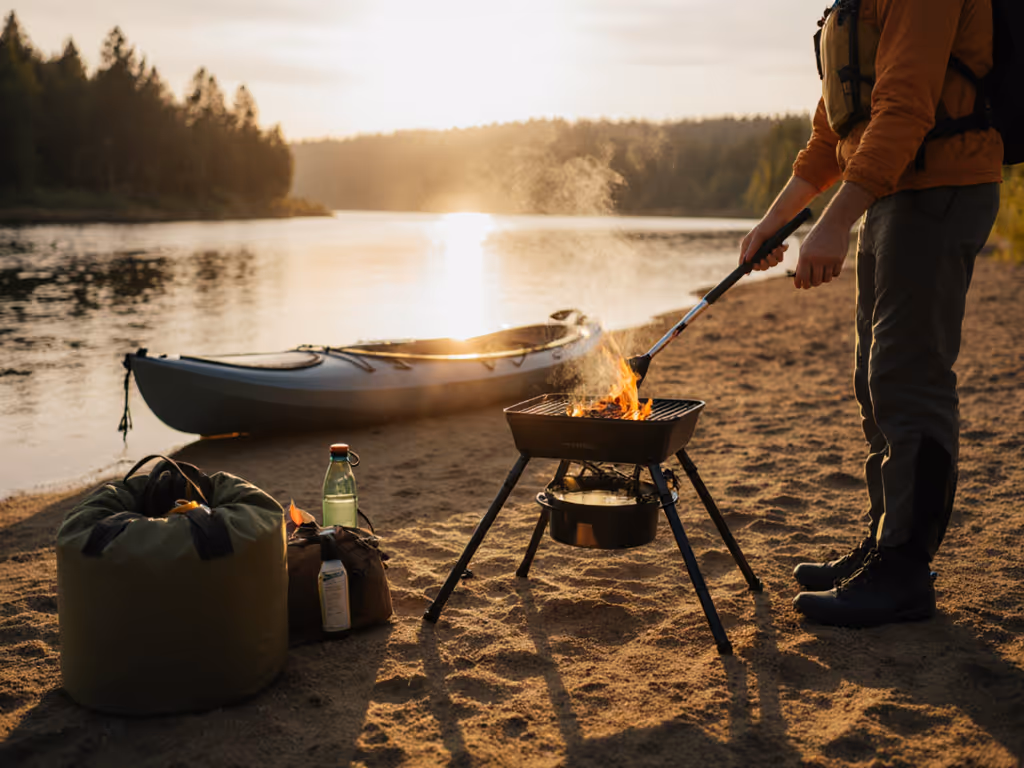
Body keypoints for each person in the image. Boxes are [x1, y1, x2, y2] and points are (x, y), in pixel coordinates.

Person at [740, 0, 1003, 627]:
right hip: (891, 192)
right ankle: (887, 540)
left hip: (938, 187)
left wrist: (831, 226)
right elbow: (832, 135)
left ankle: (905, 569)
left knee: (907, 376)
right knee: (874, 377)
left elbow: (906, 107)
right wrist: (773, 222)